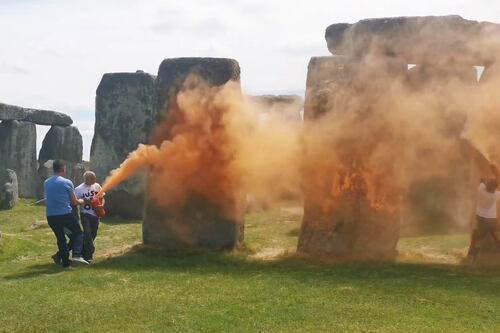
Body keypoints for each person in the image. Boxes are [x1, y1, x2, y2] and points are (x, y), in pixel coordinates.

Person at [44, 160, 89, 267]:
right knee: (78, 233)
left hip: (50, 215)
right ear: (63, 168)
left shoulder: (46, 182)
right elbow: (74, 202)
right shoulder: (66, 182)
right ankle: (77, 255)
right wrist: (81, 201)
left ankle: (64, 261)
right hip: (64, 214)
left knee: (61, 238)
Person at [467, 163, 500, 260]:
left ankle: (473, 255)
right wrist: (495, 171)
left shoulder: (481, 190)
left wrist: (487, 172)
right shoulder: (496, 195)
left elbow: (481, 180)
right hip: (492, 220)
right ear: (495, 188)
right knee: (495, 232)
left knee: (477, 235)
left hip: (481, 218)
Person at [74, 171, 104, 263]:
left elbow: (102, 197)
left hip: (96, 214)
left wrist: (102, 205)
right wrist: (83, 200)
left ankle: (84, 252)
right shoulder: (79, 189)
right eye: (93, 178)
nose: (95, 180)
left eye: (95, 178)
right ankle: (89, 256)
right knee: (87, 233)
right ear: (87, 179)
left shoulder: (97, 186)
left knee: (93, 234)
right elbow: (75, 201)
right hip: (85, 213)